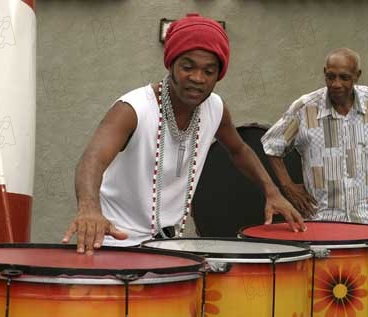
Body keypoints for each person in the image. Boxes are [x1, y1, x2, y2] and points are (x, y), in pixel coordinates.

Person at [62, 13, 305, 254]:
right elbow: (92, 159)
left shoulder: (215, 109)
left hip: (167, 245)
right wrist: (89, 208)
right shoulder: (133, 109)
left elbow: (239, 149)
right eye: (188, 67)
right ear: (171, 64)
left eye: (209, 71)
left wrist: (272, 192)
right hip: (114, 241)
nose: (198, 78)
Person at [262, 48, 368, 226]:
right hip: (321, 220)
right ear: (324, 73)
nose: (336, 84)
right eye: (331, 76)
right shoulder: (304, 108)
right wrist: (287, 186)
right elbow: (272, 145)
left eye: (344, 77)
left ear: (357, 76)